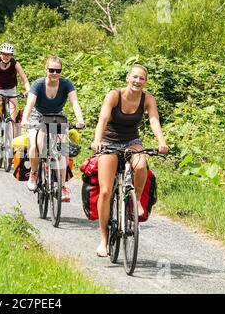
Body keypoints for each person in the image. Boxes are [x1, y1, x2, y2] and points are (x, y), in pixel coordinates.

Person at [91, 64, 169, 257]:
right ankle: (103, 239)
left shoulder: (147, 99)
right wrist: (97, 141)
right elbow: (102, 119)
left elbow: (154, 120)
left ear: (145, 81)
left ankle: (135, 202)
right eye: (134, 77)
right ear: (127, 78)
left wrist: (161, 142)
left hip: (131, 141)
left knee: (141, 164)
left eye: (141, 78)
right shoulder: (114, 95)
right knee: (106, 191)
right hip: (109, 141)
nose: (137, 81)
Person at [21, 56, 85, 202]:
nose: (55, 73)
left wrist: (80, 120)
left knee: (63, 148)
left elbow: (74, 102)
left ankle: (62, 186)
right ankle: (34, 173)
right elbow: (30, 104)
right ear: (46, 70)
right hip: (38, 116)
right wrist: (24, 120)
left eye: (58, 70)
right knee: (36, 144)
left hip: (58, 116)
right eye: (51, 70)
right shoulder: (38, 84)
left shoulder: (66, 84)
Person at [0, 43, 30, 138]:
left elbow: (24, 79)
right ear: (0, 54)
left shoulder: (15, 64)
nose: (6, 56)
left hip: (11, 90)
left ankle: (12, 145)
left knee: (12, 117)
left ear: (12, 55)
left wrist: (28, 90)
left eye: (9, 54)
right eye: (4, 54)